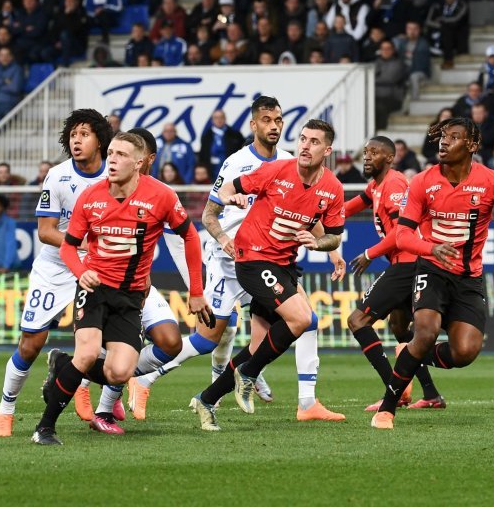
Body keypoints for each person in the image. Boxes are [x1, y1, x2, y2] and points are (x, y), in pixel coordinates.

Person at [132, 97, 346, 425]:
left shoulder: (296, 165)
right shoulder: (240, 163)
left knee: (291, 328)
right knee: (209, 338)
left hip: (277, 261)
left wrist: (329, 249)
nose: (273, 126)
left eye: (278, 120)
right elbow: (209, 212)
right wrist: (224, 238)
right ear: (253, 125)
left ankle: (297, 400)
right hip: (230, 258)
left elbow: (317, 216)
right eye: (266, 120)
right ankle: (145, 378)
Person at [32, 132, 211, 445]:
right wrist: (81, 271)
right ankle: (44, 428)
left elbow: (191, 237)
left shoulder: (162, 195)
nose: (111, 160)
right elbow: (69, 247)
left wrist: (196, 291)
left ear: (139, 163)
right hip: (95, 287)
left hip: (131, 296)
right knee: (87, 353)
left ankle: (62, 365)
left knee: (119, 373)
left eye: (120, 155)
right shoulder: (91, 197)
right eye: (110, 153)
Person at [371, 116, 494, 429]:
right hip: (431, 271)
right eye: (442, 136)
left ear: (472, 145)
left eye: (453, 137)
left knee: (465, 352)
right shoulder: (423, 181)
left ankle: (408, 355)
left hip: (468, 278)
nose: (444, 142)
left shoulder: (492, 181)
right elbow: (403, 235)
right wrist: (430, 249)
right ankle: (387, 409)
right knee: (425, 331)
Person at [190, 118, 346, 431]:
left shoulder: (333, 188)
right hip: (252, 259)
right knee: (302, 319)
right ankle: (248, 375)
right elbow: (231, 186)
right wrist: (231, 196)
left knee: (259, 345)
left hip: (284, 265)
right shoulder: (277, 170)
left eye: (314, 141)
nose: (305, 145)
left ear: (327, 150)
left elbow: (334, 235)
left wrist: (318, 243)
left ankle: (207, 399)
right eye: (303, 139)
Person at [0, 109, 113, 438]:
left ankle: (89, 392)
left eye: (84, 134)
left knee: (105, 338)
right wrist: (82, 244)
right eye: (73, 134)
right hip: (56, 264)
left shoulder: (114, 177)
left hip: (96, 266)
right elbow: (45, 231)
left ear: (100, 140)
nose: (77, 140)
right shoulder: (58, 176)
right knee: (31, 343)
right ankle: (6, 408)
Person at [345, 136, 445, 410]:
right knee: (400, 328)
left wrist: (369, 253)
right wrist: (322, 216)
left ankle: (394, 389)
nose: (367, 157)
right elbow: (354, 204)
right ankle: (431, 394)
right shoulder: (377, 185)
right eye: (365, 152)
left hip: (408, 262)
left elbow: (403, 232)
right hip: (405, 262)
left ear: (390, 158)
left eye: (374, 152)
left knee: (358, 321)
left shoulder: (395, 184)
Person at [197, 109, 245, 179]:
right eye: (216, 118)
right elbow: (203, 155)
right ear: (212, 120)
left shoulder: (235, 135)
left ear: (225, 119)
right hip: (212, 173)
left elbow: (243, 152)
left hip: (231, 172)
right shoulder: (206, 136)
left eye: (221, 117)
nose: (219, 120)